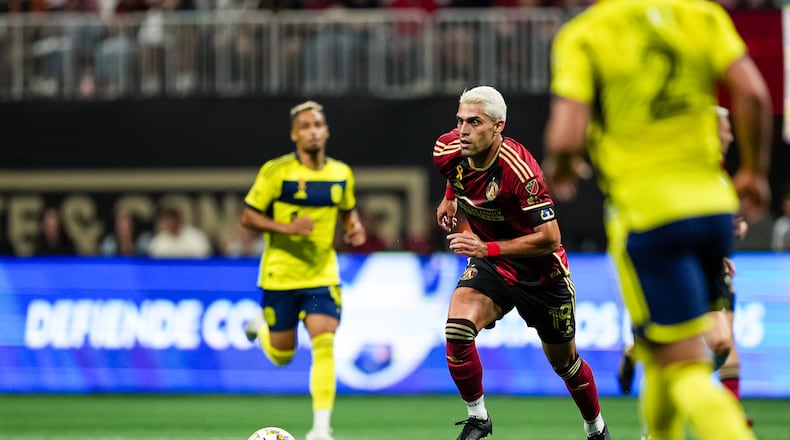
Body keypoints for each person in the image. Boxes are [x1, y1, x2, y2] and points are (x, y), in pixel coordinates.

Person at [543, 0, 772, 438]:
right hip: (712, 210)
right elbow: (754, 93)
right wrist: (753, 172)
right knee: (660, 352)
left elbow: (568, 132)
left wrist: (564, 162)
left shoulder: (587, 33)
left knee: (683, 365)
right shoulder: (701, 16)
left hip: (649, 217)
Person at [433, 86, 611, 440]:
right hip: (493, 266)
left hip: (541, 274)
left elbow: (550, 238)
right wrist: (450, 199)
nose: (463, 130)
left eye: (474, 122)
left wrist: (487, 249)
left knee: (566, 365)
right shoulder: (447, 149)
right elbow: (455, 176)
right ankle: (478, 417)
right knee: (457, 330)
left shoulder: (521, 172)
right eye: (460, 120)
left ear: (498, 126)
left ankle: (596, 429)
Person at [616, 107, 754, 432]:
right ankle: (677, 394)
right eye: (725, 128)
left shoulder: (716, 171)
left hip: (712, 262)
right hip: (672, 262)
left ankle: (711, 400)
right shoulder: (672, 163)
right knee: (684, 351)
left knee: (721, 342)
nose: (731, 135)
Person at [242, 100, 366, 440]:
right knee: (282, 356)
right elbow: (248, 216)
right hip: (280, 275)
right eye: (306, 126)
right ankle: (259, 329)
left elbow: (347, 212)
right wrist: (287, 229)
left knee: (324, 342)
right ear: (295, 134)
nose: (313, 131)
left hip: (322, 275)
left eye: (317, 125)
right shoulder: (276, 172)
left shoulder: (341, 173)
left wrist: (354, 227)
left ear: (326, 131)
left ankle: (321, 429)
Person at [147, 206, 213, 258]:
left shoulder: (195, 236)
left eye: (170, 219)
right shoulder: (158, 240)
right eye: (164, 220)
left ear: (178, 219)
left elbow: (204, 256)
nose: (167, 223)